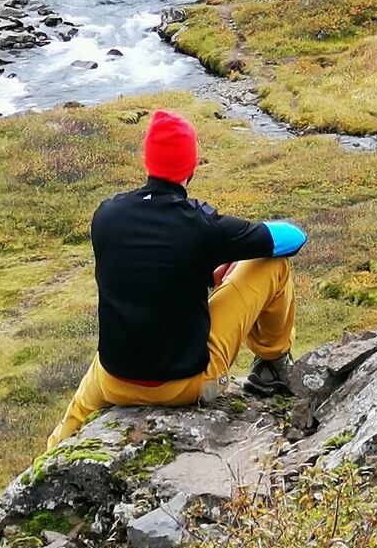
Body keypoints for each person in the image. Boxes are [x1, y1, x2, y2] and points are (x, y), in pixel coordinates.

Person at [46, 108, 306, 449]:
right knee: (273, 266)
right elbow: (293, 238)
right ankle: (272, 364)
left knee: (73, 417)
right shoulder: (202, 227)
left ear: (147, 161)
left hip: (113, 380)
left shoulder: (106, 217)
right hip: (191, 387)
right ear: (192, 166)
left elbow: (150, 275)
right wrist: (231, 251)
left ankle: (49, 458)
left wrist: (205, 269)